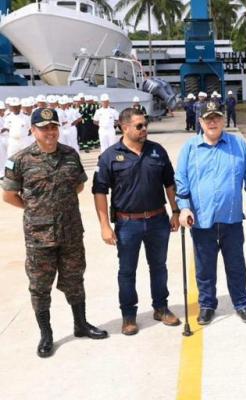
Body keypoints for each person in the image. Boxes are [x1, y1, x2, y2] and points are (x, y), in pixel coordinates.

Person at [2, 108, 108, 358]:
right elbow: (8, 195)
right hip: (39, 236)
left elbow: (79, 184)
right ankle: (46, 334)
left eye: (53, 127)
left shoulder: (70, 154)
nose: (50, 132)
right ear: (33, 130)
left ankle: (80, 324)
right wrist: (36, 209)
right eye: (44, 127)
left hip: (70, 231)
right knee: (40, 286)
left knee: (75, 279)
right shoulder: (19, 160)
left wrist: (59, 204)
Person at [92, 107, 182, 335]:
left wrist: (175, 211)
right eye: (139, 126)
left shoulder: (157, 151)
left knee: (159, 267)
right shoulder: (110, 156)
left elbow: (169, 184)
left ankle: (161, 308)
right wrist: (104, 226)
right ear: (124, 127)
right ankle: (129, 316)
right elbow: (99, 191)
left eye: (145, 125)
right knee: (127, 271)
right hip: (127, 224)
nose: (144, 130)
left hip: (157, 221)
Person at [175, 101, 246, 325]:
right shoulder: (190, 148)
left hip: (231, 219)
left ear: (223, 120)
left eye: (216, 117)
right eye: (207, 118)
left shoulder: (238, 145)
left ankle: (242, 303)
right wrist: (183, 207)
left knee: (236, 265)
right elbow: (181, 180)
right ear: (200, 121)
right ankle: (207, 305)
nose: (212, 122)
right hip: (202, 220)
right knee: (204, 267)